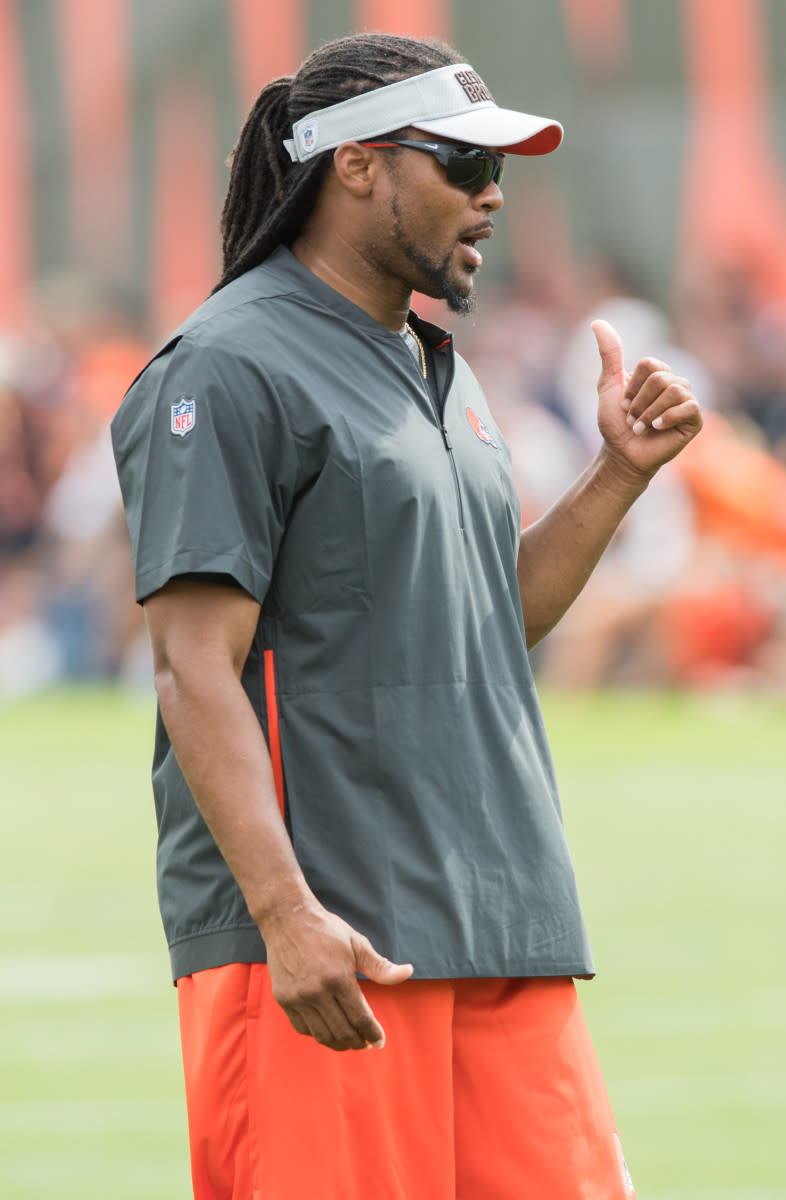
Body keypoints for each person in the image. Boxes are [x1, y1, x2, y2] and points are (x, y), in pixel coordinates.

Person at [111, 32, 702, 1200]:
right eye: (459, 165)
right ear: (355, 164)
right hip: (329, 941)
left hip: (501, 918)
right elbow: (192, 670)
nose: (491, 198)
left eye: (501, 173)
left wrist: (615, 477)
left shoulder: (434, 364)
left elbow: (482, 620)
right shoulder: (226, 366)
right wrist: (285, 915)